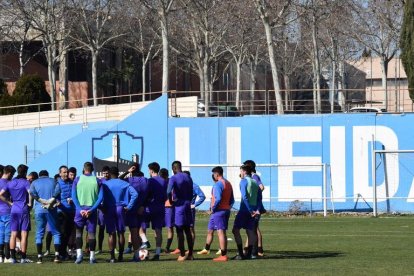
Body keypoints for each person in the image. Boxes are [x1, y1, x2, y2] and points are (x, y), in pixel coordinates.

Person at [198, 166, 234, 262]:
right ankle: (207, 248)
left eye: (213, 174)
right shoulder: (228, 183)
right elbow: (232, 200)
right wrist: (227, 208)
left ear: (216, 174)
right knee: (212, 230)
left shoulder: (218, 184)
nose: (213, 176)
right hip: (223, 211)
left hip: (218, 211)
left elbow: (217, 199)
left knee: (220, 232)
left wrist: (212, 209)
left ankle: (223, 255)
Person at [101, 166, 137, 263]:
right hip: (121, 208)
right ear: (118, 173)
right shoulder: (124, 183)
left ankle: (112, 257)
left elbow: (99, 196)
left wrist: (101, 207)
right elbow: (135, 194)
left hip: (109, 209)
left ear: (110, 173)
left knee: (111, 233)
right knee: (121, 233)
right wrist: (129, 206)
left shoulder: (105, 184)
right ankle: (120, 256)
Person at [71, 162, 103, 264]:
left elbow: (73, 196)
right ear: (92, 169)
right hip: (91, 211)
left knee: (78, 233)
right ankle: (92, 257)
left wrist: (80, 209)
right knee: (92, 234)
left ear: (84, 169)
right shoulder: (97, 180)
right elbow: (100, 197)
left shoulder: (77, 179)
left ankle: (79, 256)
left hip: (79, 210)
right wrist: (92, 209)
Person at [0, 164, 32, 263]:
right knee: (24, 234)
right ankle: (23, 257)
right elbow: (30, 192)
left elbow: (0, 194)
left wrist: (10, 203)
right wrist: (30, 203)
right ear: (25, 172)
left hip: (13, 209)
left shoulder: (10, 183)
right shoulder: (26, 182)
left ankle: (12, 257)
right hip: (23, 209)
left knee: (12, 234)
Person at [30, 170, 62, 264]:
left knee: (39, 233)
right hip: (51, 209)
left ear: (39, 176)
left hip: (39, 210)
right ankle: (57, 256)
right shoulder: (53, 181)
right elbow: (58, 190)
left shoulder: (34, 182)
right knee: (56, 233)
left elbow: (32, 192)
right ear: (48, 175)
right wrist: (51, 199)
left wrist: (41, 200)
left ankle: (39, 257)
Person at [119, 163, 149, 261]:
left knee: (134, 232)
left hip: (131, 209)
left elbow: (118, 179)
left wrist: (128, 171)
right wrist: (143, 205)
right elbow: (150, 194)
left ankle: (137, 256)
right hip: (141, 209)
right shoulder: (145, 180)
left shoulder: (129, 180)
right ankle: (142, 252)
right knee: (141, 231)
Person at [167, 161, 194, 261]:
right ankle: (190, 254)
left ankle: (182, 254)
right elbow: (192, 191)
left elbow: (168, 191)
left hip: (179, 205)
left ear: (174, 168)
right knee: (187, 230)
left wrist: (170, 200)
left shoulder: (173, 178)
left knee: (179, 230)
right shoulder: (188, 177)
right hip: (188, 204)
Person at [232, 164, 259, 260]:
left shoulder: (243, 181)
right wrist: (256, 209)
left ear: (244, 171)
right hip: (253, 210)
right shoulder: (255, 182)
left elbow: (244, 196)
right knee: (250, 231)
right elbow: (259, 198)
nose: (240, 173)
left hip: (245, 210)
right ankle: (249, 254)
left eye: (240, 171)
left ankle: (240, 254)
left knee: (235, 230)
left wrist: (250, 210)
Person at [243, 160, 266, 257]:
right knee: (253, 228)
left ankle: (256, 250)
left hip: (255, 207)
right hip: (255, 206)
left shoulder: (254, 176)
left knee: (253, 229)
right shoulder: (249, 177)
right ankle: (253, 249)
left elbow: (261, 187)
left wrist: (254, 194)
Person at [146, 162, 167, 261]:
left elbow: (147, 194)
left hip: (150, 207)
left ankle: (144, 244)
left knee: (141, 228)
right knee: (158, 230)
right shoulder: (164, 181)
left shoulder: (150, 181)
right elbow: (166, 195)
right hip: (161, 207)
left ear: (151, 170)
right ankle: (158, 252)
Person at [56, 165, 75, 260]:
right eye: (64, 172)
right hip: (61, 211)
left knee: (68, 233)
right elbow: (53, 196)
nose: (66, 174)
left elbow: (75, 194)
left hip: (71, 211)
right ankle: (60, 253)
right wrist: (57, 202)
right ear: (60, 173)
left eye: (67, 172)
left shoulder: (72, 183)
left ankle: (64, 252)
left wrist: (72, 199)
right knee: (62, 233)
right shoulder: (57, 183)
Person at [183, 171, 205, 250]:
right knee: (181, 228)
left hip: (190, 210)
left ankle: (190, 249)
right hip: (182, 209)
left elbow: (202, 196)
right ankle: (181, 248)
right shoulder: (182, 185)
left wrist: (194, 205)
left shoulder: (194, 186)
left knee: (190, 228)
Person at [0, 165, 15, 263]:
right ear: (9, 173)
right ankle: (7, 257)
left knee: (0, 234)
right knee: (7, 234)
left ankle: (0, 256)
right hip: (7, 211)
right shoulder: (9, 183)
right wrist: (10, 203)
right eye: (12, 174)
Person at [96, 166, 110, 254]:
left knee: (111, 229)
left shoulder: (112, 181)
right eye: (104, 173)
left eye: (107, 173)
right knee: (101, 228)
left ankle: (112, 248)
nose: (105, 175)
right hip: (101, 208)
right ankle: (100, 248)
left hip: (110, 207)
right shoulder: (100, 181)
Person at [160, 168, 174, 254]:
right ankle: (159, 247)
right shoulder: (159, 182)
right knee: (158, 228)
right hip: (161, 206)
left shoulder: (171, 182)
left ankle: (167, 247)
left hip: (169, 207)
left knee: (170, 227)